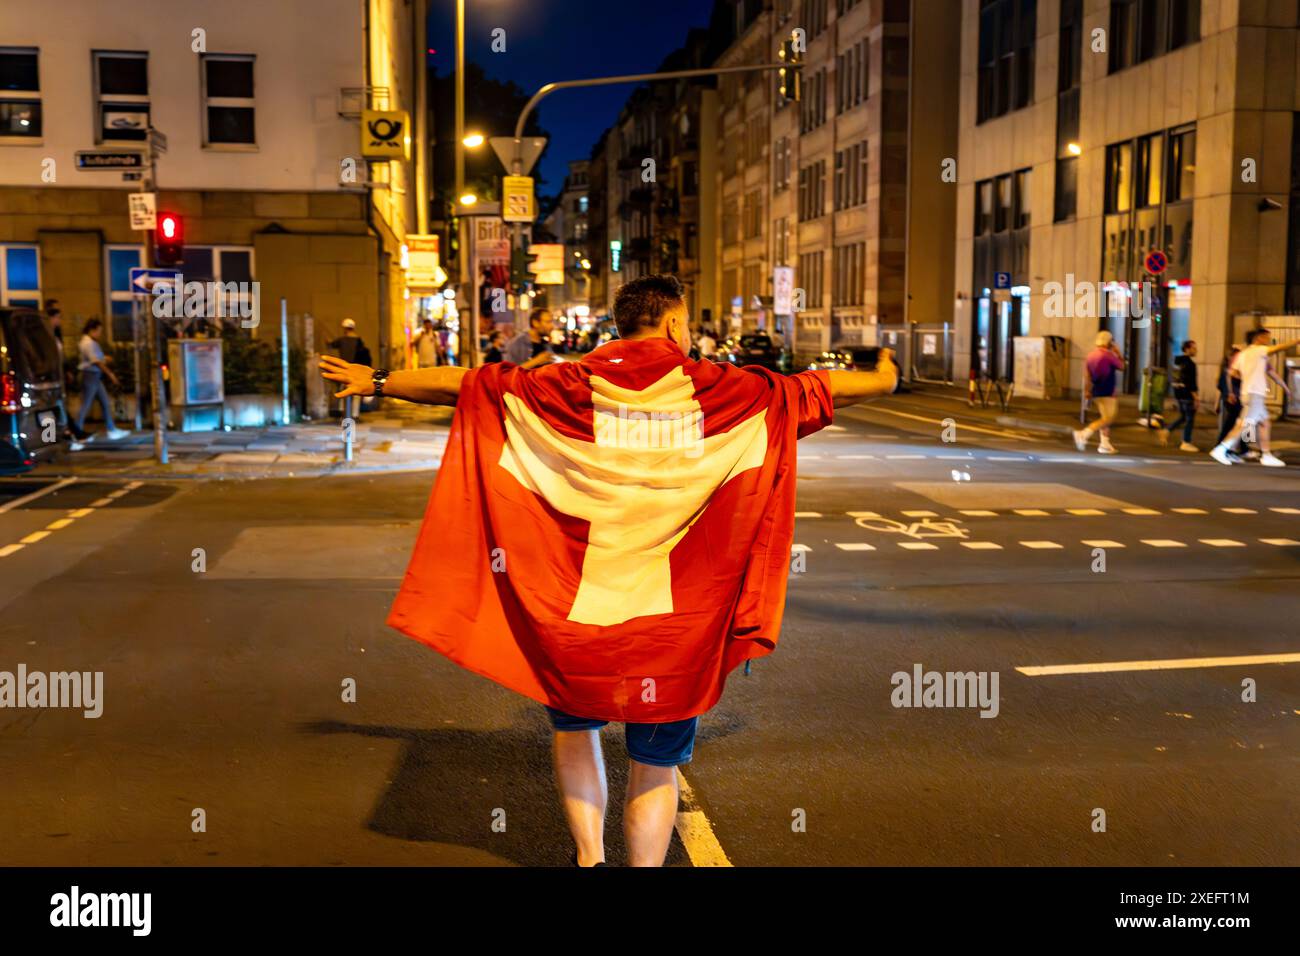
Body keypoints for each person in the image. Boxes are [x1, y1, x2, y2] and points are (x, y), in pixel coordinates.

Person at [319, 273, 899, 867]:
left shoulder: (564, 383)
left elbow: (464, 386)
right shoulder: (727, 390)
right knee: (655, 763)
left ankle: (589, 858)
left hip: (575, 616)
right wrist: (884, 375)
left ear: (621, 323)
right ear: (675, 322)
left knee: (574, 734)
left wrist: (380, 380)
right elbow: (823, 387)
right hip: (676, 631)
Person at [1210, 328, 1297, 467]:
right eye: (1267, 338)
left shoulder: (1243, 354)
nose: (1269, 341)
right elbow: (1280, 348)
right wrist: (1297, 341)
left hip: (1249, 393)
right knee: (1244, 424)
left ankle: (1265, 455)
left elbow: (1232, 373)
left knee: (1264, 423)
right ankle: (1222, 449)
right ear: (1259, 338)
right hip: (1254, 394)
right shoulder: (1260, 350)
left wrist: (1245, 378)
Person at [73, 319, 129, 442]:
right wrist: (111, 375)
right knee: (86, 405)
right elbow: (96, 362)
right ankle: (76, 432)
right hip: (91, 375)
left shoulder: (88, 341)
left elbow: (97, 359)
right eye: (99, 331)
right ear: (92, 330)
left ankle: (111, 429)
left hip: (94, 376)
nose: (100, 334)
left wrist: (104, 358)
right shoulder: (89, 343)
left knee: (104, 402)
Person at [1073, 330, 1125, 454]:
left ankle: (1104, 444)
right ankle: (1083, 434)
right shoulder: (1109, 355)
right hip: (1108, 391)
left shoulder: (1090, 356)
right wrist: (1118, 353)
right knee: (1108, 418)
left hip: (1096, 391)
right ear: (1109, 343)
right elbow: (1122, 367)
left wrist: (1086, 391)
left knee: (1104, 417)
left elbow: (1086, 376)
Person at [1159, 340, 1200, 451]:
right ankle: (1186, 442)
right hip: (1187, 395)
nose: (1196, 350)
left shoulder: (1177, 362)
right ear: (1187, 349)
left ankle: (1167, 430)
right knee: (1190, 419)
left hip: (1179, 394)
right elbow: (1190, 382)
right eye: (1193, 348)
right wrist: (1196, 397)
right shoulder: (1190, 364)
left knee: (1183, 417)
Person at [1215, 345, 1243, 457]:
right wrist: (1229, 395)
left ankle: (1240, 447)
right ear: (1231, 357)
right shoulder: (1228, 371)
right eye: (1237, 356)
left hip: (1237, 399)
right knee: (1235, 424)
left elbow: (1219, 387)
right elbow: (1222, 387)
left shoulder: (1232, 370)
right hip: (1233, 400)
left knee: (1235, 424)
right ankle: (1241, 448)